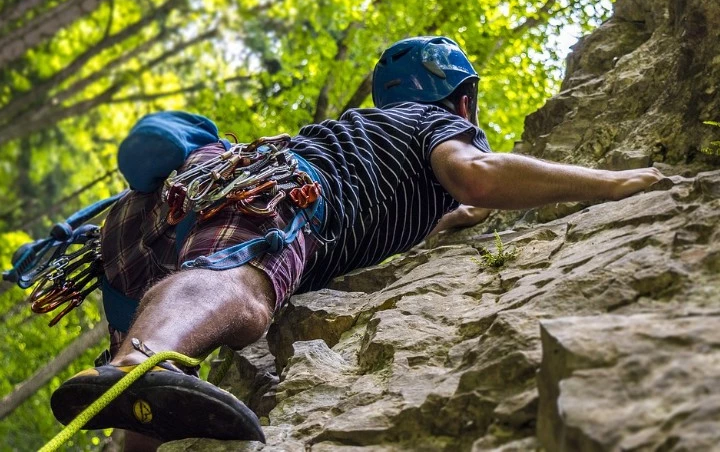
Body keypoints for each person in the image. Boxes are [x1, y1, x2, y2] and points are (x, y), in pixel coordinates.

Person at [51, 36, 664, 448]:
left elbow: (435, 208)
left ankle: (131, 405)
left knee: (151, 395)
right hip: (279, 191)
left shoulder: (371, 139)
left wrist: (449, 221)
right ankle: (135, 365)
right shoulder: (436, 124)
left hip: (144, 227)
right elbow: (474, 174)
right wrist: (612, 183)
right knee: (245, 286)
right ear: (462, 98)